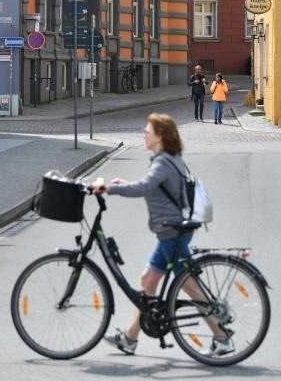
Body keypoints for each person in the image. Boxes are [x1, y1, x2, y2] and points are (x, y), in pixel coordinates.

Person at [92, 112, 234, 357]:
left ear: (159, 136)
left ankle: (222, 338)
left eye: (147, 131)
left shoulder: (163, 162)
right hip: (171, 230)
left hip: (172, 231)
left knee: (188, 285)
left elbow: (145, 187)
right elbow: (154, 186)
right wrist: (125, 184)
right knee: (149, 280)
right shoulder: (170, 159)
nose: (144, 134)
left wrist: (109, 188)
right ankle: (129, 338)